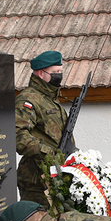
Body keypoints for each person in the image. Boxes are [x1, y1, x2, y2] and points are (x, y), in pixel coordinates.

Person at [15, 50, 73, 208]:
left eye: (60, 72)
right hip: (37, 181)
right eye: (55, 72)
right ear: (41, 73)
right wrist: (51, 153)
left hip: (55, 174)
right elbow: (18, 136)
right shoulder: (28, 99)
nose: (59, 76)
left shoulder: (50, 99)